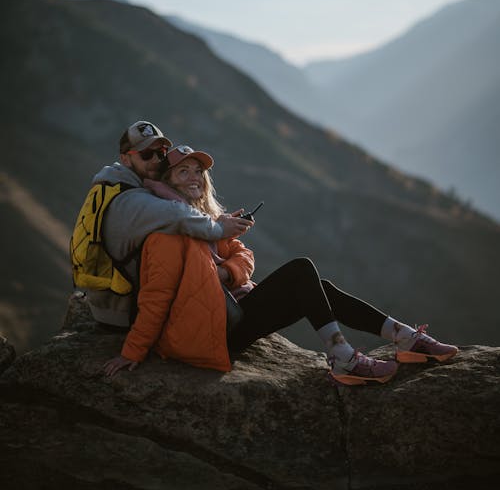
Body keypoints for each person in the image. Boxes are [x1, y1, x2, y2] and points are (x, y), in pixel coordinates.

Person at [103, 145, 458, 386]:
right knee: (302, 271)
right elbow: (156, 296)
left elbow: (244, 257)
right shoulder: (167, 233)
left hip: (228, 312)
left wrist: (226, 272)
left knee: (318, 286)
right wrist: (132, 352)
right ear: (166, 181)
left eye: (197, 170)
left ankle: (405, 338)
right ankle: (344, 357)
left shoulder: (205, 222)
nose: (194, 176)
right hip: (209, 332)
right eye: (182, 172)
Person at [83, 122, 252, 328]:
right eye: (146, 154)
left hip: (120, 303)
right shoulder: (129, 200)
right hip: (123, 312)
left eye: (161, 153)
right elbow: (176, 215)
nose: (155, 160)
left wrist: (219, 234)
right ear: (125, 159)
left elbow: (241, 253)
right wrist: (218, 229)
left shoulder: (117, 186)